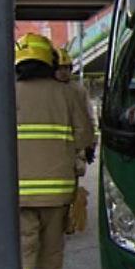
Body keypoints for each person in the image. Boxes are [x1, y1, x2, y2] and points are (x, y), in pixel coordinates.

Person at [15, 34, 95, 269]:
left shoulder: (6, 92)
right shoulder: (68, 92)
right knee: (51, 246)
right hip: (57, 188)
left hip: (18, 189)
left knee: (24, 244)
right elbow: (85, 136)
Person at [55, 47, 96, 235]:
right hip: (55, 145)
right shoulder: (50, 90)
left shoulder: (78, 90)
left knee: (71, 186)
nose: (63, 71)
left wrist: (90, 144)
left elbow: (89, 117)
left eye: (66, 67)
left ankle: (69, 221)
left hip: (75, 145)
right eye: (59, 67)